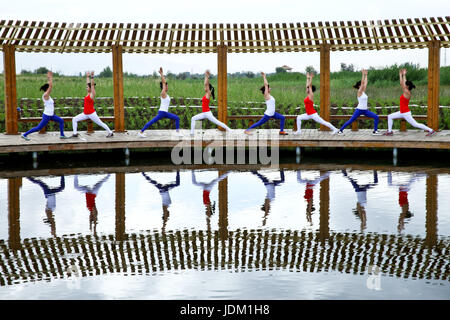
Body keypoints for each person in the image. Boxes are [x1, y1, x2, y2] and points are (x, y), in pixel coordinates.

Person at [383, 68, 436, 136]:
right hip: (402, 112)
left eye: (406, 85)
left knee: (415, 124)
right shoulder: (406, 90)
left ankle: (431, 130)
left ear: (407, 86)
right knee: (390, 116)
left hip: (405, 113)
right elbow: (404, 82)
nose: (404, 85)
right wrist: (404, 75)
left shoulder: (407, 92)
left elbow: (401, 83)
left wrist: (400, 74)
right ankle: (390, 131)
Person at [21, 71, 69, 141]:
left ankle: (62, 135)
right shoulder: (45, 95)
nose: (51, 90)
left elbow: (50, 85)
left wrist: (49, 78)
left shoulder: (48, 95)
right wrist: (50, 78)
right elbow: (51, 86)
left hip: (51, 115)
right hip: (47, 115)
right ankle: (24, 134)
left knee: (61, 121)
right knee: (38, 128)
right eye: (49, 89)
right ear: (47, 89)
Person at [138, 67, 182, 137]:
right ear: (164, 87)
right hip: (162, 112)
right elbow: (164, 82)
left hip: (165, 113)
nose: (167, 87)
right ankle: (141, 132)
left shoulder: (166, 94)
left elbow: (164, 83)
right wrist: (161, 74)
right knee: (151, 122)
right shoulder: (163, 93)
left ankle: (177, 132)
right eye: (166, 86)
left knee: (177, 118)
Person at [338, 69, 380, 135]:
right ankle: (340, 131)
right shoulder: (359, 92)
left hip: (365, 110)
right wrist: (363, 74)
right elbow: (363, 83)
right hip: (359, 110)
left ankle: (375, 131)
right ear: (359, 86)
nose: (363, 86)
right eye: (361, 85)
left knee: (376, 117)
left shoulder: (363, 92)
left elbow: (365, 83)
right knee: (351, 120)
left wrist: (366, 75)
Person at [72, 71, 113, 138]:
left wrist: (92, 76)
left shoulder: (92, 94)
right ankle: (75, 133)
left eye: (87, 87)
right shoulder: (88, 93)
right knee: (74, 119)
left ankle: (110, 132)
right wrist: (87, 76)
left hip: (91, 114)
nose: (86, 88)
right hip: (85, 114)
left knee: (100, 123)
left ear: (90, 88)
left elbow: (92, 85)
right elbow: (88, 83)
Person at [190, 70, 231, 135]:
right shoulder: (206, 93)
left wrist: (207, 76)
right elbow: (205, 84)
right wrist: (205, 76)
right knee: (193, 118)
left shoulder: (208, 93)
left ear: (208, 88)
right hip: (204, 113)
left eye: (206, 87)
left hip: (208, 113)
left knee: (218, 122)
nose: (204, 88)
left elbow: (206, 84)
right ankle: (191, 133)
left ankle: (229, 129)